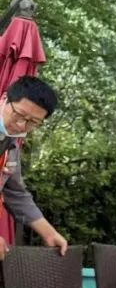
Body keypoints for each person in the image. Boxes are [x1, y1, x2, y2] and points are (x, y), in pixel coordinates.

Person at [0, 75, 67, 258]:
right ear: (4, 99)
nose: (22, 125)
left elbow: (15, 193)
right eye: (19, 115)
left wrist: (48, 232)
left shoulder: (10, 144)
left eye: (33, 122)